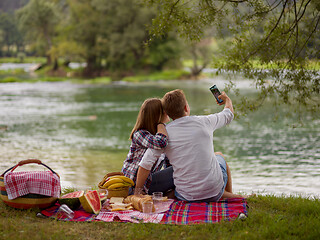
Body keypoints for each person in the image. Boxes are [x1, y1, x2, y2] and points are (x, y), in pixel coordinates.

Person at [135, 89, 247, 201]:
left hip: (185, 196)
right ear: (186, 108)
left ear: (168, 113)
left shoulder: (165, 135)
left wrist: (138, 191)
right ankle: (228, 195)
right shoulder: (205, 121)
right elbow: (228, 114)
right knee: (220, 156)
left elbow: (145, 164)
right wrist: (227, 99)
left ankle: (226, 195)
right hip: (214, 192)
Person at [121, 98, 173, 194]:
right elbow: (160, 143)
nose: (167, 112)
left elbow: (168, 163)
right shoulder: (140, 134)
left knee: (179, 167)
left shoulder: (161, 134)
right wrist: (161, 125)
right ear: (157, 115)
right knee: (176, 170)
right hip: (132, 185)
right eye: (164, 110)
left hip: (148, 182)